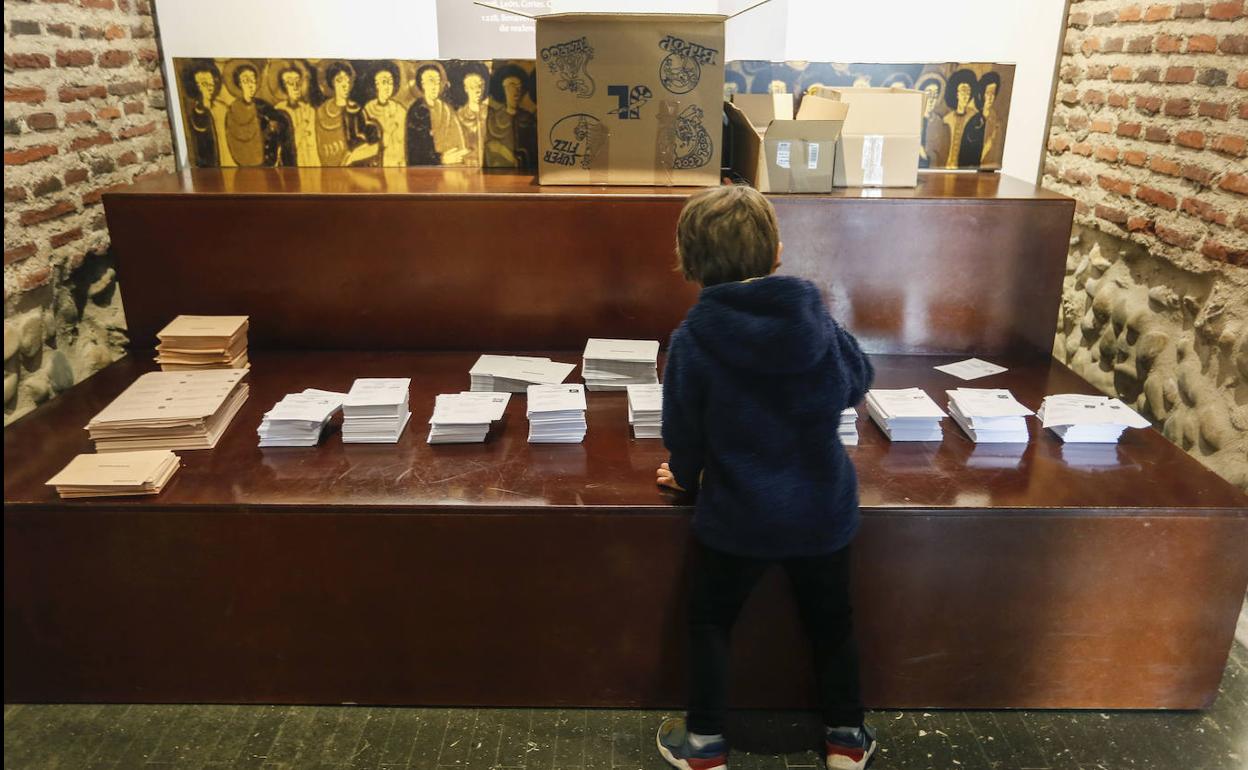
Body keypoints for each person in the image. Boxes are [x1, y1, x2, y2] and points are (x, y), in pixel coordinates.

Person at [653, 185, 876, 770]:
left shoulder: (694, 339)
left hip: (738, 514)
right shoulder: (814, 320)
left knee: (711, 621)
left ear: (688, 259)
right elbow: (856, 379)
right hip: (821, 509)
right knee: (832, 624)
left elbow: (683, 431)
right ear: (776, 252)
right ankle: (847, 739)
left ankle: (704, 744)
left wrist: (685, 478)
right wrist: (823, 323)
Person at [315, 61, 380, 167]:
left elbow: (374, 145)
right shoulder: (321, 111)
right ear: (332, 83)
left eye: (347, 80)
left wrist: (353, 156)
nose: (345, 85)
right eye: (339, 80)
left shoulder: (355, 110)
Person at [406, 62, 469, 166]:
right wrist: (441, 159)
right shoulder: (417, 111)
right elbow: (416, 152)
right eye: (431, 81)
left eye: (437, 81)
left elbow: (458, 138)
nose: (435, 86)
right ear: (422, 84)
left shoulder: (446, 109)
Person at [484, 64, 537, 169]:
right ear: (503, 89)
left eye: (519, 86)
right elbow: (488, 149)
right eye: (512, 85)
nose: (517, 90)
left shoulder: (529, 119)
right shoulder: (493, 119)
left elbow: (534, 152)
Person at [364, 63, 407, 166]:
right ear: (376, 85)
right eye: (384, 82)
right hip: (377, 163)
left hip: (398, 162)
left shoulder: (400, 110)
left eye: (390, 82)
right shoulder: (368, 109)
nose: (388, 87)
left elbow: (404, 141)